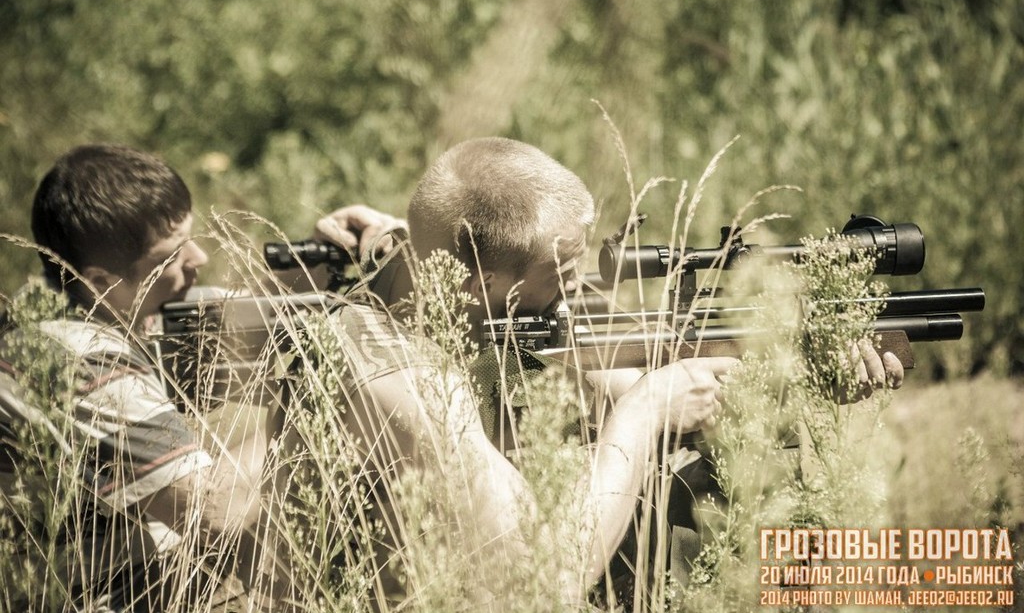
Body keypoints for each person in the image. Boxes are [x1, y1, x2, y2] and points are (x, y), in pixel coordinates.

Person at [328, 136, 903, 608]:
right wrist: (645, 412)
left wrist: (797, 373)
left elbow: (632, 374)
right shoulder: (409, 385)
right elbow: (542, 585)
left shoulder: (436, 278)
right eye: (561, 271)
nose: (576, 289)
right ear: (482, 283)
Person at [0, 143, 396, 611]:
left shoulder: (91, 308)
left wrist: (322, 269)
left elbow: (242, 328)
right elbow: (215, 513)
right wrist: (314, 407)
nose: (199, 257)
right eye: (171, 255)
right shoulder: (77, 361)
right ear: (101, 279)